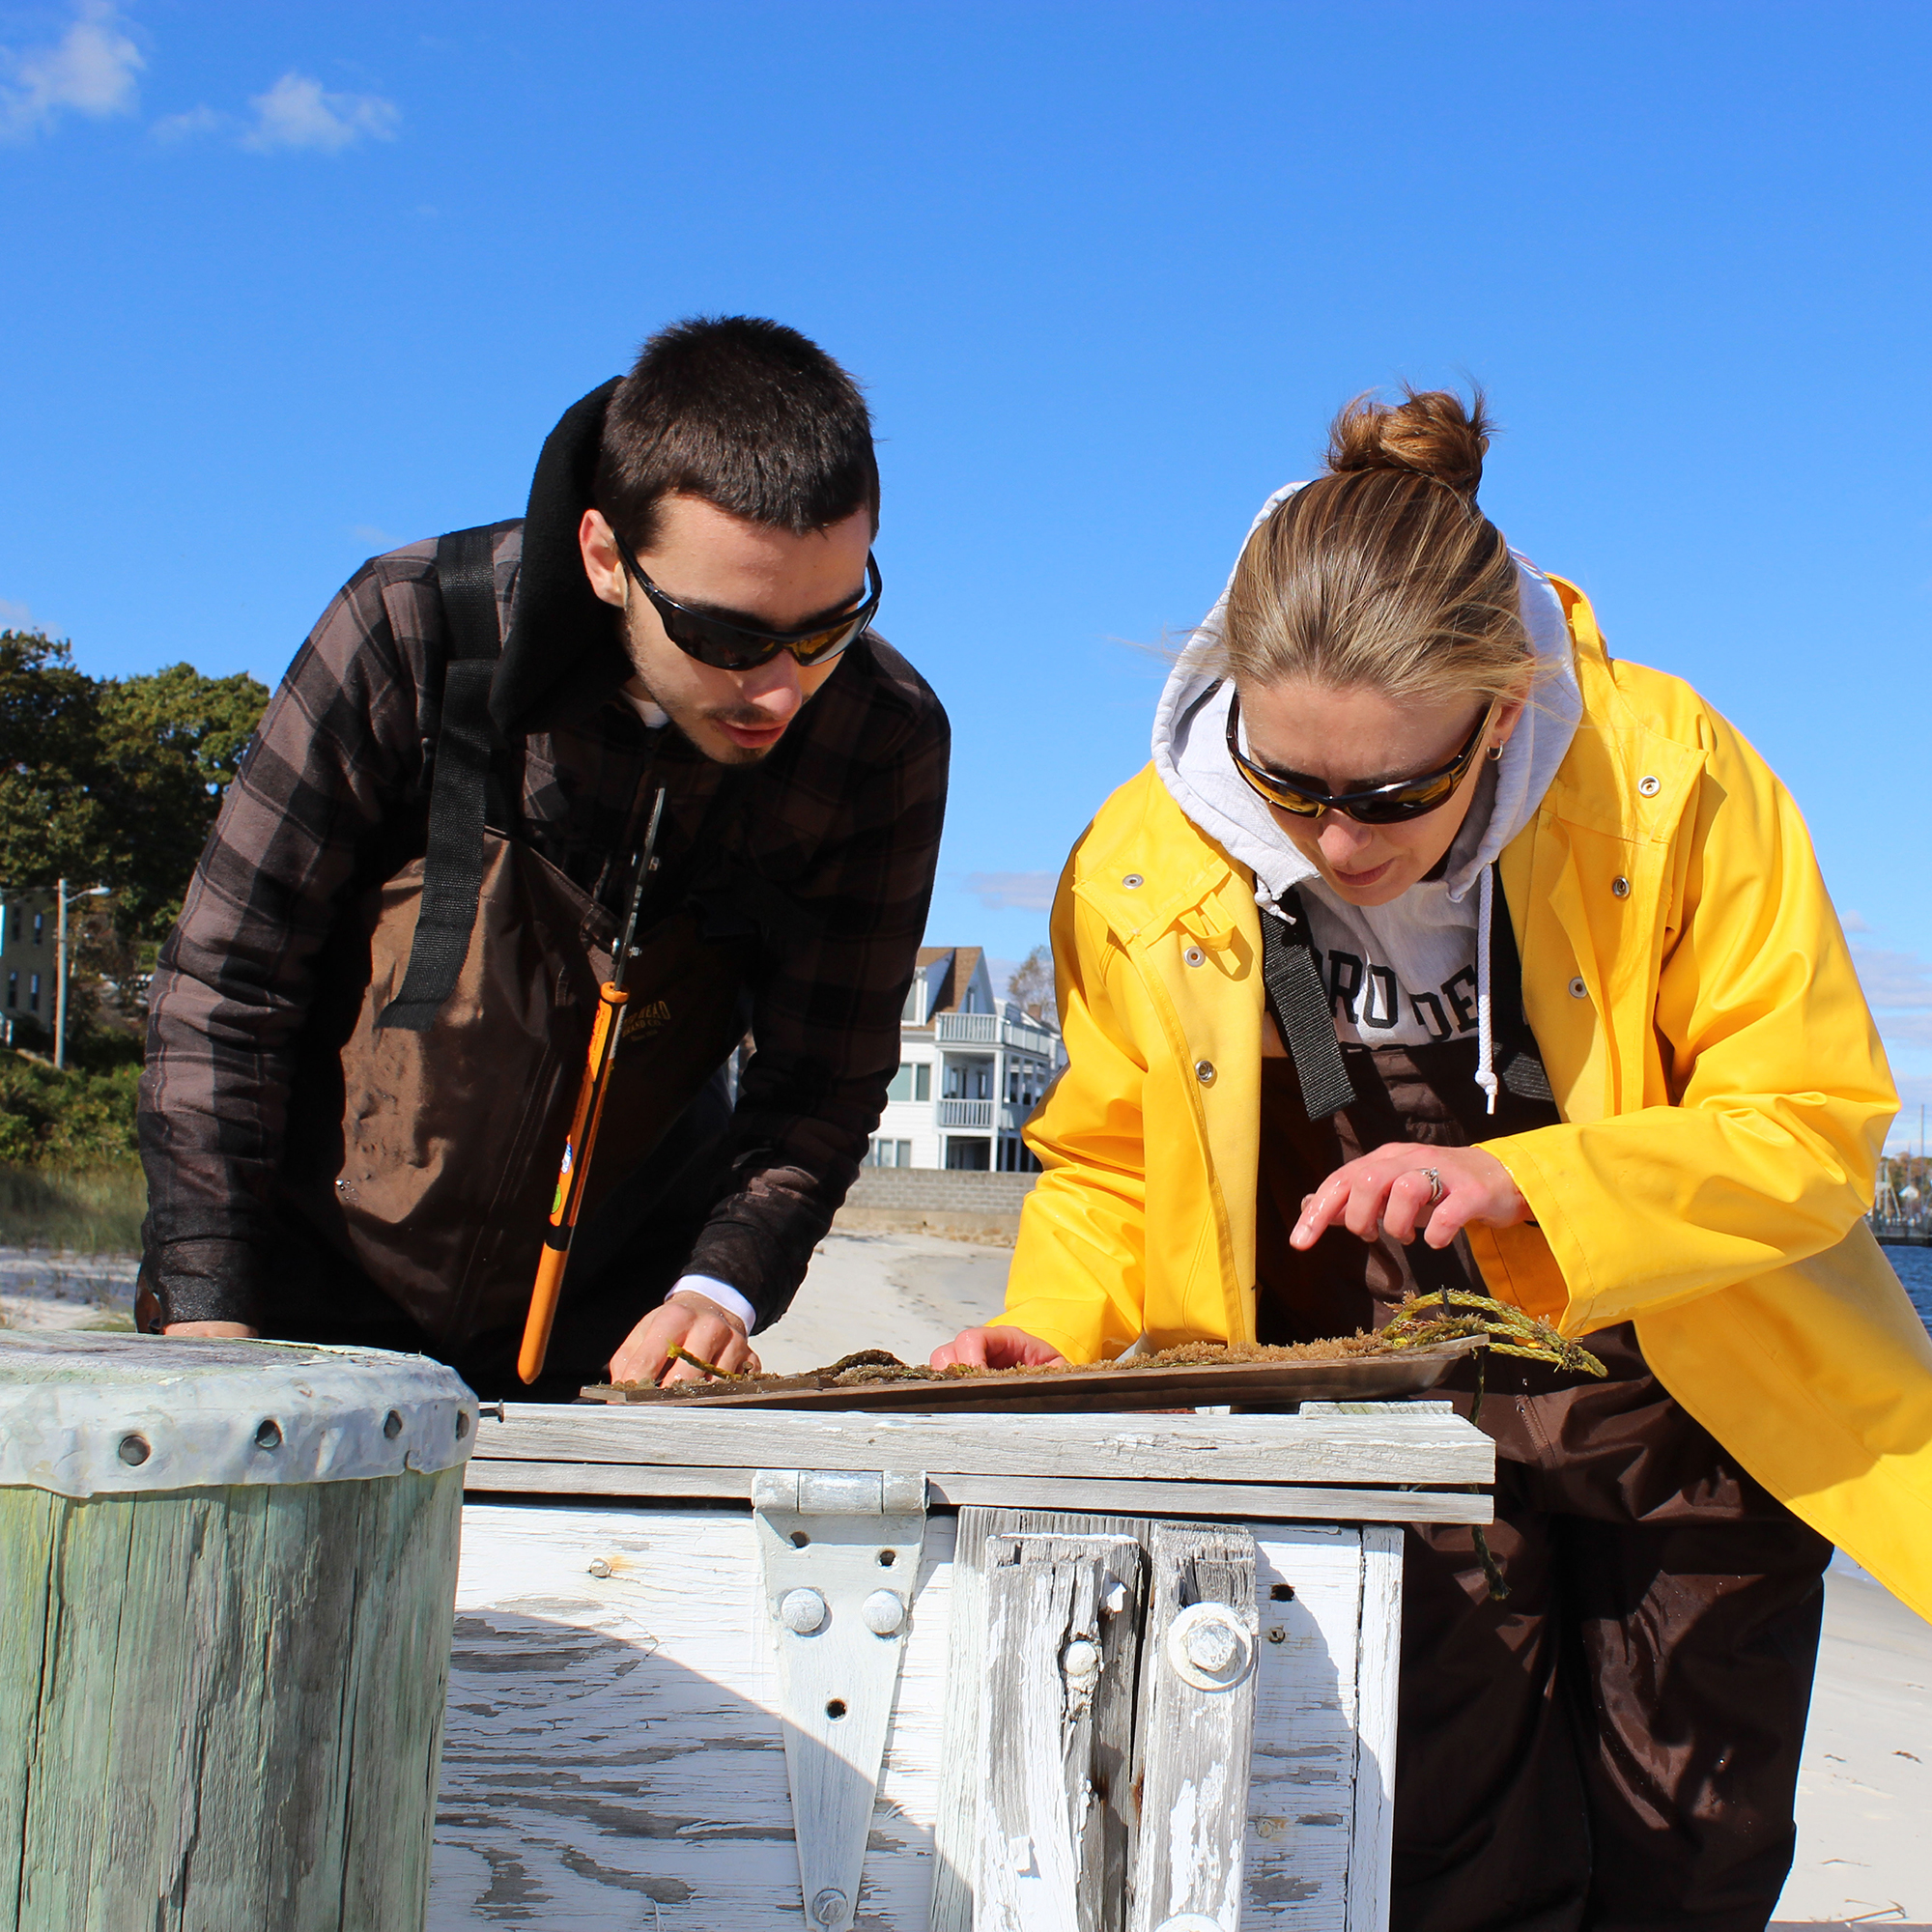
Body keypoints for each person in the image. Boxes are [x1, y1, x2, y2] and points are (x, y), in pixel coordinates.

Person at [936, 390, 1932, 1931]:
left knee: (1693, 1857)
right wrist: (1052, 1337)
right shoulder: (1140, 861)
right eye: (1291, 786)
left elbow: (1811, 1126)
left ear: (1505, 708)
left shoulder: (1671, 779)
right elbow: (1113, 1166)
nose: (1341, 845)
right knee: (1433, 1861)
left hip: (1697, 1411)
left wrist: (1536, 1184)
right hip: (1387, 1421)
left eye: (1397, 794)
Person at [139, 316, 949, 1397]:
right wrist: (206, 1311)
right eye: (727, 637)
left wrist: (719, 1290)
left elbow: (821, 1084)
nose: (782, 689)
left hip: (616, 1324)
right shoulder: (412, 630)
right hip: (294, 1294)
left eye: (829, 625)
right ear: (607, 557)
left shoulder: (880, 739)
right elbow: (225, 990)